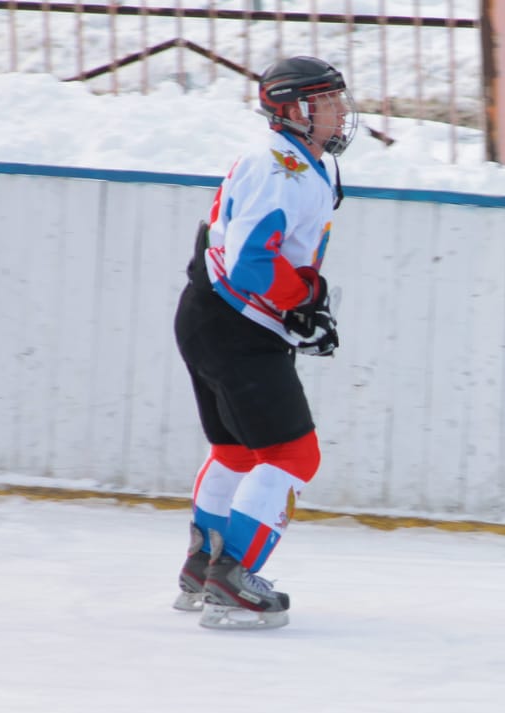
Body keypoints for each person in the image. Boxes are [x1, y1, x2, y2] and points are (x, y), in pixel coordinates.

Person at [171, 56, 359, 629]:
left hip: (213, 317)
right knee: (294, 455)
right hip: (236, 327)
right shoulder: (280, 169)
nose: (340, 113)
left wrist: (300, 300)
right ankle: (234, 578)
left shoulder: (305, 162)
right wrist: (301, 302)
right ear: (296, 109)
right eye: (328, 102)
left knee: (236, 451)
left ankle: (203, 566)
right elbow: (254, 261)